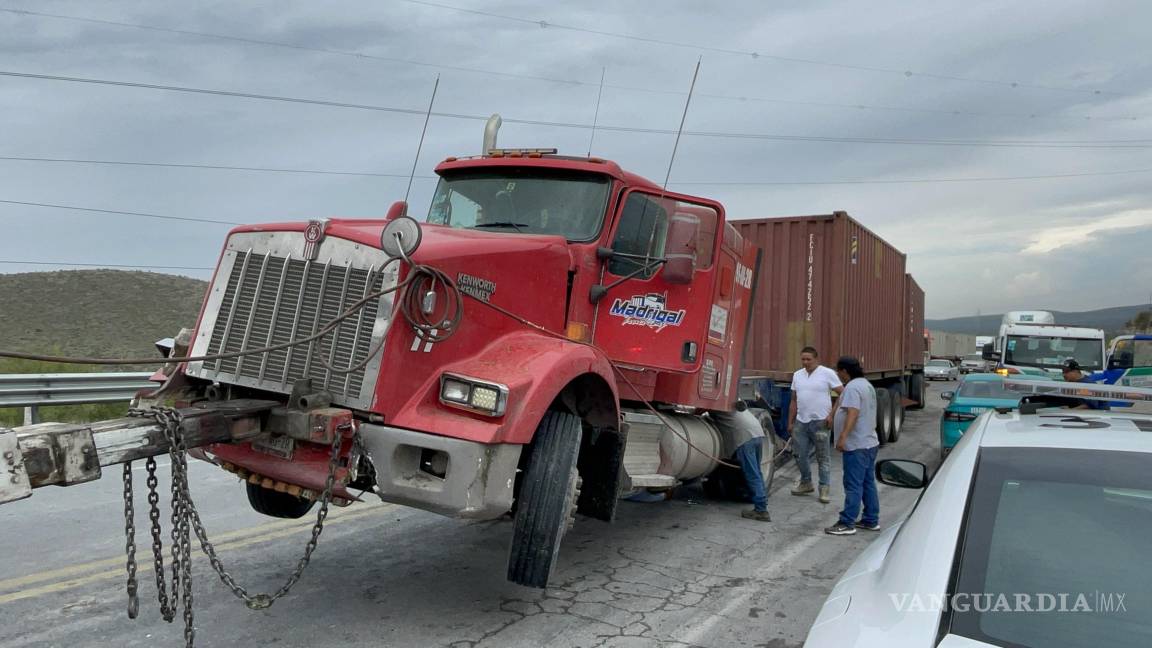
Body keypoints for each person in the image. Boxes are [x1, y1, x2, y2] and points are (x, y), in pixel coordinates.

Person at [825, 356, 880, 536]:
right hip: (869, 442)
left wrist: (842, 437)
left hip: (857, 444)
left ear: (844, 371)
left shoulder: (853, 387)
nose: (838, 375)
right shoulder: (866, 385)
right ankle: (871, 519)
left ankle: (847, 522)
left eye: (838, 371)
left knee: (853, 484)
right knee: (867, 482)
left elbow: (853, 413)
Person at [788, 346, 843, 503]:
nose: (805, 362)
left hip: (821, 422)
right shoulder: (797, 375)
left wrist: (832, 415)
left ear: (816, 359)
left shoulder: (827, 373)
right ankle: (806, 483)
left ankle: (824, 489)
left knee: (823, 456)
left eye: (808, 359)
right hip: (801, 421)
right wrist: (790, 422)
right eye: (803, 359)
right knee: (799, 455)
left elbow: (843, 393)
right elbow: (793, 400)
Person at [709, 408, 771, 522]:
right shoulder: (732, 399)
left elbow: (700, 409)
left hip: (745, 437)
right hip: (757, 433)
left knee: (752, 474)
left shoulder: (719, 403)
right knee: (757, 471)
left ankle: (761, 510)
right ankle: (762, 502)